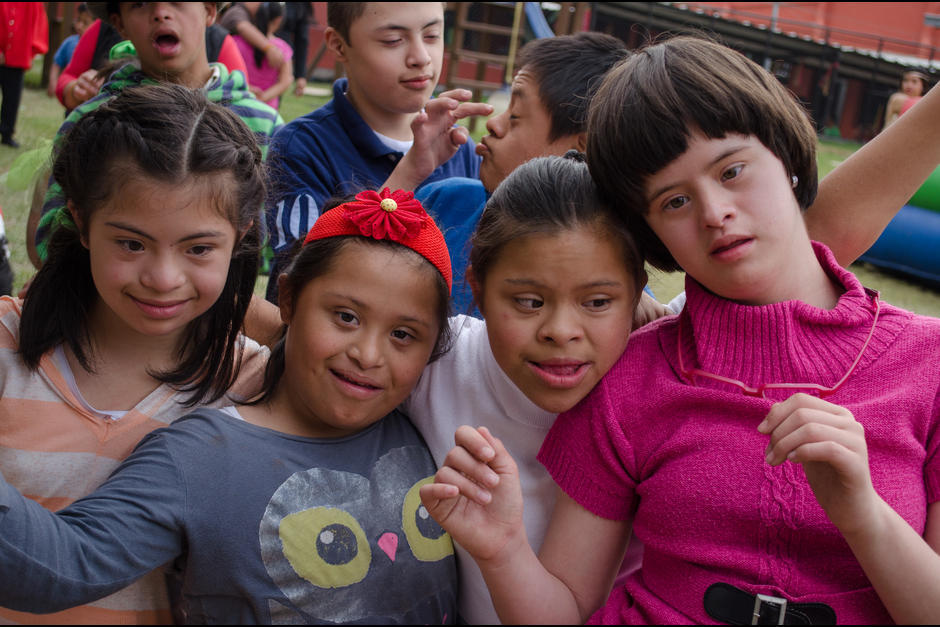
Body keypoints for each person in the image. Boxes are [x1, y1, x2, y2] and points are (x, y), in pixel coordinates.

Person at [421, 35, 940, 625]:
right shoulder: (630, 376)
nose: (714, 211)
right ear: (653, 238)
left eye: (733, 169)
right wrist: (504, 549)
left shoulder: (929, 362)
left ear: (792, 161)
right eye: (673, 202)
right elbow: (563, 609)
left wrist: (864, 516)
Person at [0, 183, 459, 625]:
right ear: (288, 298)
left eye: (403, 335)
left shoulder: (429, 426)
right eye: (345, 316)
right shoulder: (199, 456)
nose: (368, 354)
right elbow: (63, 565)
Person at [0, 83, 269, 624]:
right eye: (131, 243)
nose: (162, 279)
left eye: (198, 248)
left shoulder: (254, 386)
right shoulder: (7, 344)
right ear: (79, 220)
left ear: (240, 235)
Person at [263, 1, 491, 303]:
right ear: (339, 45)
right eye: (393, 40)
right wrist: (407, 175)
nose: (421, 57)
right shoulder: (302, 148)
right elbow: (296, 291)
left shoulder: (463, 150)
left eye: (433, 35)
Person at [32, 1, 283, 266]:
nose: (161, 13)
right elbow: (50, 240)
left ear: (209, 11)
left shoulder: (264, 125)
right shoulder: (90, 120)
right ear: (119, 23)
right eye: (140, 4)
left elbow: (278, 248)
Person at [0, 3, 48, 148]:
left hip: (16, 58)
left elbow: (38, 27)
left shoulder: (33, 4)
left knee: (12, 98)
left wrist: (28, 52)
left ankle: (7, 133)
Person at [232, 1, 293, 109]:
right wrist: (263, 97)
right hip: (267, 109)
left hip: (237, 103)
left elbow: (229, 74)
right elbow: (285, 81)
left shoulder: (235, 42)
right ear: (278, 20)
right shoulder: (283, 48)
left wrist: (248, 89)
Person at [47, 3, 94, 100]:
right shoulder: (69, 42)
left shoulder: (97, 46)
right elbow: (57, 62)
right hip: (72, 92)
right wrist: (53, 82)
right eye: (78, 20)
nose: (80, 26)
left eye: (85, 23)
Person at [275, 1, 315, 97]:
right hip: (251, 52)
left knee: (271, 105)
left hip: (280, 61)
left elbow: (302, 40)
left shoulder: (300, 5)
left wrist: (301, 75)